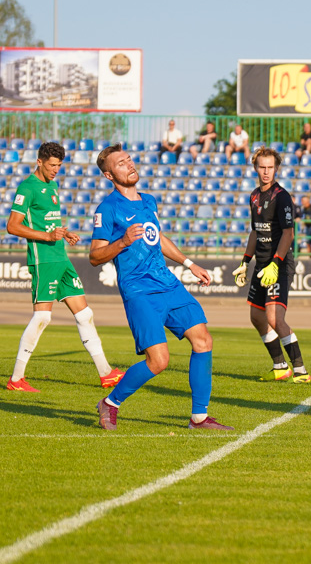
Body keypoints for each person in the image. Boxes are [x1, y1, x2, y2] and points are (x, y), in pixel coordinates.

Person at [91, 143, 232, 431]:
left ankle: (199, 418)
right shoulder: (108, 208)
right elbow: (95, 256)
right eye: (120, 163)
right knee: (159, 360)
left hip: (168, 284)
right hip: (139, 290)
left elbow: (159, 237)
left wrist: (189, 263)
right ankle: (110, 403)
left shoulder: (149, 201)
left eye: (129, 160)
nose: (129, 165)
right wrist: (123, 242)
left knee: (203, 339)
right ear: (109, 175)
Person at [6, 141, 121, 392]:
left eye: (59, 165)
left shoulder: (53, 185)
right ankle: (16, 379)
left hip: (61, 257)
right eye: (52, 165)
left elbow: (49, 222)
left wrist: (63, 234)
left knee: (84, 314)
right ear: (39, 162)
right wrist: (48, 237)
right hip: (44, 259)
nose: (56, 170)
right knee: (43, 316)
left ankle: (106, 373)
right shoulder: (28, 188)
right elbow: (13, 226)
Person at [232, 147, 309, 383]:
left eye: (270, 167)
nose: (266, 172)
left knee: (275, 318)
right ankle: (280, 366)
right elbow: (255, 232)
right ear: (255, 168)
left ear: (277, 169)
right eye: (262, 167)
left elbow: (288, 234)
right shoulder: (254, 196)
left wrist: (276, 262)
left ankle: (300, 370)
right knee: (257, 316)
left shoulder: (282, 196)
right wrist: (245, 261)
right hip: (261, 263)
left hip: (279, 263)